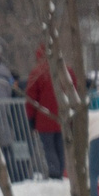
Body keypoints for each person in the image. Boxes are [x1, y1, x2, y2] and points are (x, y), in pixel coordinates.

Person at [24, 50, 64, 179]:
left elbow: (31, 98)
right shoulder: (64, 71)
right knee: (61, 147)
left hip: (44, 119)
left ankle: (55, 172)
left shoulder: (37, 73)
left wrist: (31, 119)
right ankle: (62, 172)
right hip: (63, 117)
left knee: (49, 148)